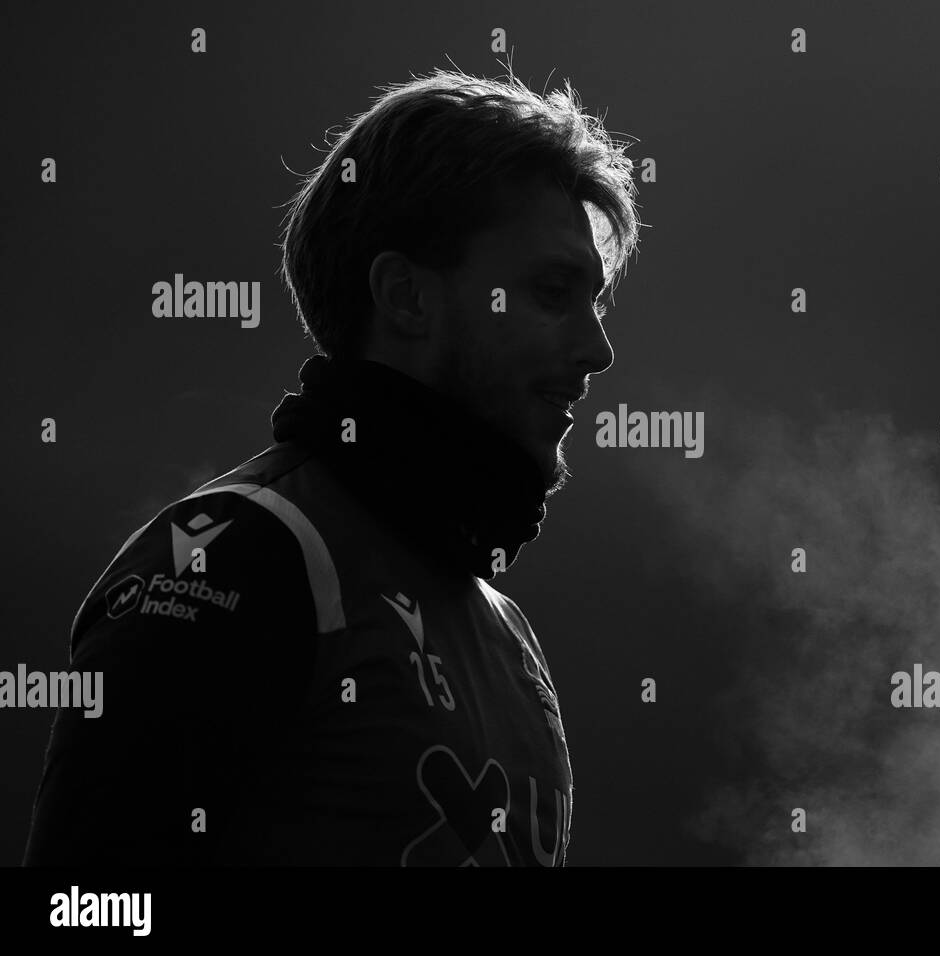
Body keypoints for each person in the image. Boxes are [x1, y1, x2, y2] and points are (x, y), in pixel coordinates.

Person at [23, 68, 641, 866]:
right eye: (553, 293)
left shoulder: (507, 636)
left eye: (596, 302)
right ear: (407, 299)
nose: (598, 350)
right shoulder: (237, 557)